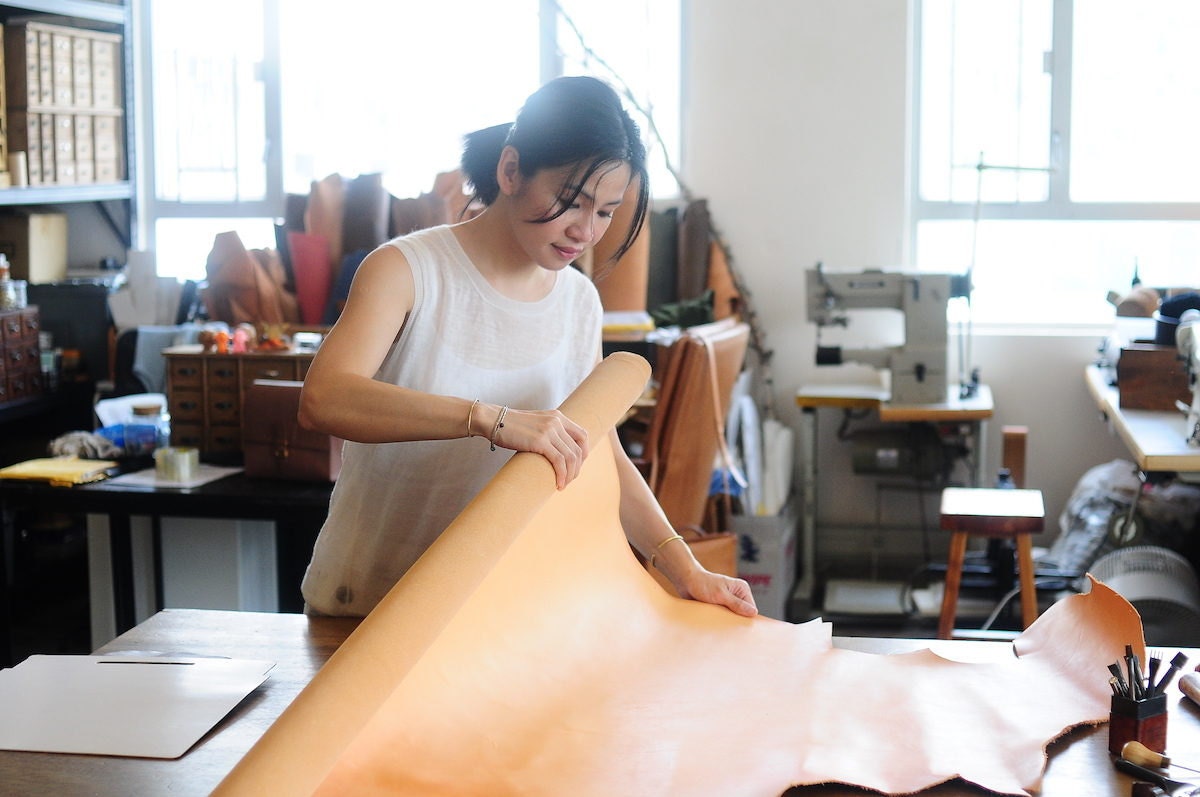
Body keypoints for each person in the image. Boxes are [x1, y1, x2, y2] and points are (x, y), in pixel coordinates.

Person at [298, 76, 757, 619]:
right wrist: (490, 419)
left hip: (495, 614)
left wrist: (686, 570)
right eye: (571, 202)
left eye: (606, 212)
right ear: (511, 170)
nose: (586, 230)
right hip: (371, 603)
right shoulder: (406, 270)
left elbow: (599, 448)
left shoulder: (579, 301)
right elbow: (324, 398)